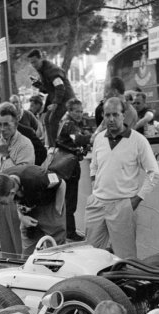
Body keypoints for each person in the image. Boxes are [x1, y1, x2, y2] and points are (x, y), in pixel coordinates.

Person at [85, 97, 159, 260]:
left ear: (123, 115)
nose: (111, 119)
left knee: (125, 258)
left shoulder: (138, 141)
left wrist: (137, 199)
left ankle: (125, 285)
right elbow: (94, 165)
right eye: (107, 115)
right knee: (89, 255)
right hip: (97, 204)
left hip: (122, 205)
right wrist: (94, 186)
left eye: (115, 114)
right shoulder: (99, 139)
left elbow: (154, 172)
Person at [0, 165, 66, 256]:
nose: (2, 205)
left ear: (11, 193)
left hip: (48, 205)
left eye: (2, 202)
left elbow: (61, 183)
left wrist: (57, 210)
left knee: (54, 246)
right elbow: (15, 201)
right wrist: (21, 216)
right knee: (28, 247)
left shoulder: (36, 177)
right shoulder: (3, 180)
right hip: (28, 207)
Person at [0, 103, 34, 254]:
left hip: (16, 202)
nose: (2, 129)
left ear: (16, 123)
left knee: (18, 248)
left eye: (6, 125)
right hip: (2, 202)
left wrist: (5, 154)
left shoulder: (25, 144)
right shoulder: (1, 140)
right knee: (7, 248)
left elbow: (23, 174)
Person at [56, 97, 93, 241]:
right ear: (69, 111)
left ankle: (67, 230)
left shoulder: (65, 121)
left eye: (81, 111)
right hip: (69, 167)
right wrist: (93, 137)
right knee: (70, 201)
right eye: (77, 111)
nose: (79, 114)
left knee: (67, 200)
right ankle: (70, 232)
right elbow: (78, 139)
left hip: (65, 166)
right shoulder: (69, 123)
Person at [27, 48, 75, 146]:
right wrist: (39, 85)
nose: (33, 65)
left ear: (41, 58)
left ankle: (55, 146)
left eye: (35, 62)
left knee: (52, 120)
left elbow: (60, 87)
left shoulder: (51, 70)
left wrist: (55, 103)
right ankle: (52, 145)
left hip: (65, 99)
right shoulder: (42, 70)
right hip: (59, 98)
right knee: (47, 120)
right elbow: (49, 89)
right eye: (31, 63)